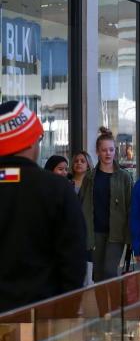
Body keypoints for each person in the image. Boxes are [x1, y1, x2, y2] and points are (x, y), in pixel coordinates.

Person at [0, 101, 86, 312]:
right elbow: (74, 259)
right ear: (31, 142)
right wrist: (66, 309)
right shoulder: (56, 188)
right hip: (43, 314)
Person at [80, 128, 133, 282]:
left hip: (116, 233)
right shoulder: (90, 177)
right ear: (97, 151)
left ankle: (114, 307)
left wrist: (130, 237)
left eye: (111, 150)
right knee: (97, 275)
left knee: (110, 272)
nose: (108, 153)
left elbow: (130, 207)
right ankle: (104, 307)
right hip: (95, 232)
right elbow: (82, 204)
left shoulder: (124, 177)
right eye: (104, 150)